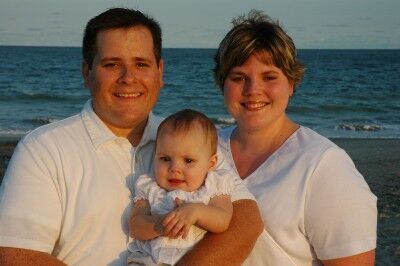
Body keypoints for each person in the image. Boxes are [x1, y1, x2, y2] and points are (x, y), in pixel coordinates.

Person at [0, 8, 262, 265]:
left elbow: (246, 222)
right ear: (86, 72)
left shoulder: (190, 140)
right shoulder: (43, 149)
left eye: (141, 64)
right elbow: (17, 255)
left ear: (159, 72)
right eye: (112, 64)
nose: (128, 78)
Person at [214, 10, 378, 266]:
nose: (252, 90)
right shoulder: (203, 149)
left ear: (291, 83)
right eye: (238, 78)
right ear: (222, 84)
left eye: (269, 77)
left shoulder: (323, 166)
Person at [128, 109, 235, 265]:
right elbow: (135, 226)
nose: (175, 169)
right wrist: (159, 224)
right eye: (165, 159)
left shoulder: (214, 185)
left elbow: (223, 219)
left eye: (188, 161)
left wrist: (197, 212)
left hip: (195, 259)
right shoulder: (149, 186)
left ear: (211, 164)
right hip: (148, 260)